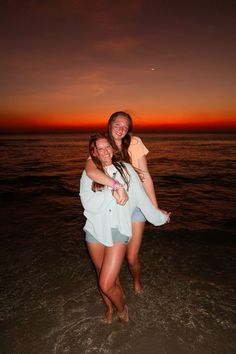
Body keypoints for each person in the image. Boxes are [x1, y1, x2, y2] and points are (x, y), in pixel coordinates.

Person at [80, 134, 170, 324]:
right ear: (93, 152)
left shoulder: (126, 169)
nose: (105, 151)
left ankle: (122, 308)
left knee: (106, 282)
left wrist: (159, 216)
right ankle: (109, 308)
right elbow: (88, 203)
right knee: (102, 275)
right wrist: (114, 191)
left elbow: (140, 198)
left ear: (112, 149)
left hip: (119, 229)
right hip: (95, 230)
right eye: (100, 148)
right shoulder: (89, 172)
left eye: (107, 147)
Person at [85, 111, 167, 294]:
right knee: (111, 259)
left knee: (131, 258)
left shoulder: (135, 143)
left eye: (125, 126)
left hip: (136, 207)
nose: (121, 129)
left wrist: (154, 208)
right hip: (113, 209)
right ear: (110, 124)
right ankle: (116, 290)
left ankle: (137, 280)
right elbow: (90, 170)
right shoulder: (103, 145)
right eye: (117, 124)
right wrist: (116, 186)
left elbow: (145, 176)